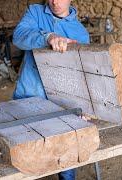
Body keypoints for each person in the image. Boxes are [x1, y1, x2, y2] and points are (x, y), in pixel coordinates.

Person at [12, 0, 89, 179]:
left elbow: (82, 76)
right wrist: (47, 37)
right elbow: (19, 36)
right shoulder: (35, 12)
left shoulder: (81, 33)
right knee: (24, 156)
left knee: (67, 155)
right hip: (28, 97)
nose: (54, 1)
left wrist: (84, 107)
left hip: (64, 105)